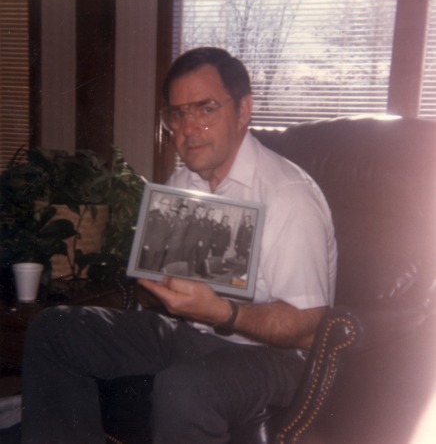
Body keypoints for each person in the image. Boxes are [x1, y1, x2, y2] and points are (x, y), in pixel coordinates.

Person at [21, 47, 337, 444]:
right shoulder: (182, 185)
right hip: (189, 333)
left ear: (243, 112)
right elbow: (159, 293)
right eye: (177, 113)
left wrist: (223, 312)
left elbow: (309, 330)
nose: (188, 128)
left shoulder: (289, 196)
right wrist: (154, 287)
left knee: (183, 388)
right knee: (55, 328)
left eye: (205, 109)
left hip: (274, 356)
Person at [139, 196, 172, 271]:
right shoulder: (153, 214)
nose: (166, 206)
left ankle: (152, 279)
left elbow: (167, 232)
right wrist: (146, 243)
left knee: (156, 264)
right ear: (160, 204)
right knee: (147, 264)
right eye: (164, 203)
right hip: (151, 244)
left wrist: (166, 243)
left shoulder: (168, 216)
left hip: (162, 245)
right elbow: (147, 229)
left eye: (168, 204)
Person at [161, 202, 189, 267]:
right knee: (168, 260)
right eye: (183, 211)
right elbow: (168, 232)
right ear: (179, 211)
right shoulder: (174, 219)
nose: (185, 212)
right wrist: (167, 243)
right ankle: (163, 273)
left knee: (175, 261)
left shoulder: (185, 221)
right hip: (172, 243)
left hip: (180, 244)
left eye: (186, 211)